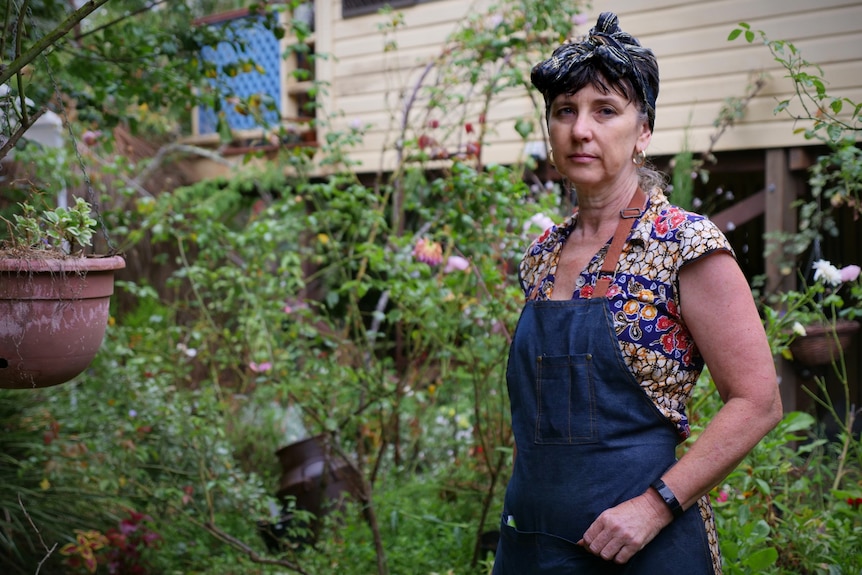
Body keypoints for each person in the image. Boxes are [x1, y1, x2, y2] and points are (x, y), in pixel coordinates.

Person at [493, 12, 783, 575]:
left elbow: (758, 401)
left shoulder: (684, 244)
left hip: (645, 551)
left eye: (605, 111)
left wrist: (655, 507)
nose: (581, 130)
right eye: (564, 112)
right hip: (531, 541)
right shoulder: (540, 257)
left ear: (642, 131)